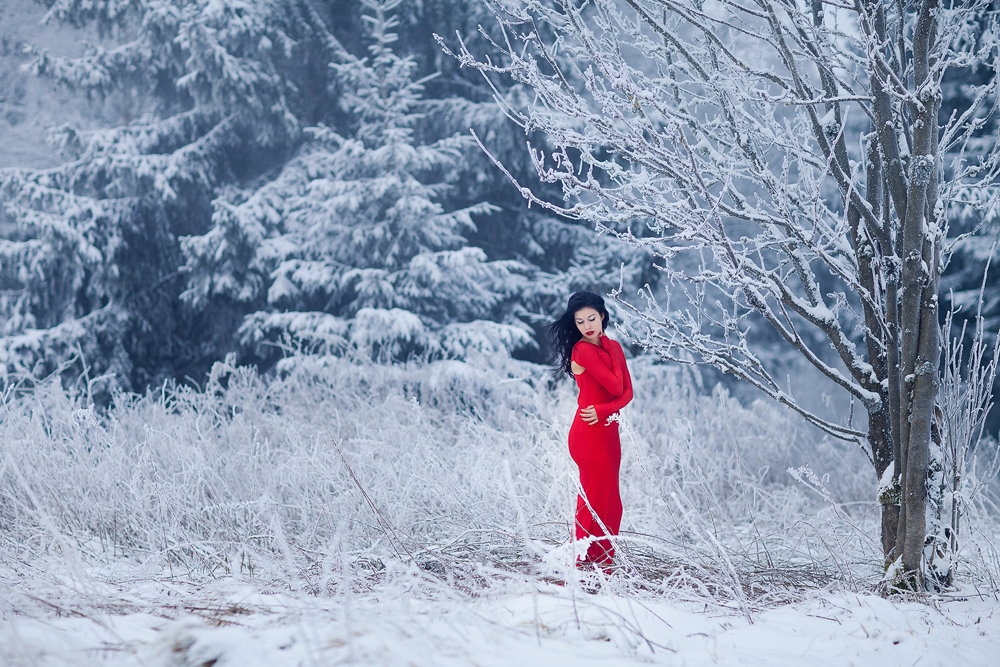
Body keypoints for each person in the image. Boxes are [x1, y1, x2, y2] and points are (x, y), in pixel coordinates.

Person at [546, 291, 633, 569]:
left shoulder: (614, 347)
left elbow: (628, 394)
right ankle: (582, 562)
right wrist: (608, 406)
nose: (587, 326)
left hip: (607, 430)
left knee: (611, 502)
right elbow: (616, 388)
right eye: (580, 322)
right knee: (594, 501)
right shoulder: (583, 350)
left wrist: (606, 410)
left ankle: (603, 563)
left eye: (592, 318)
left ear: (603, 316)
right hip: (588, 433)